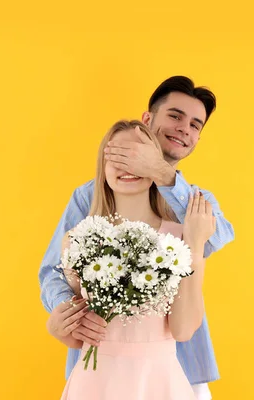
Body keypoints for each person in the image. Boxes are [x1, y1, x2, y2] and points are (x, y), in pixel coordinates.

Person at [40, 76, 235, 399]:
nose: (184, 128)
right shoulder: (89, 195)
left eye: (195, 124)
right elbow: (54, 270)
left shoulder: (194, 200)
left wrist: (163, 175)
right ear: (148, 119)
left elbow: (211, 240)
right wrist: (69, 314)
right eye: (174, 115)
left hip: (178, 367)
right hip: (100, 366)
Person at [60, 120, 215, 399]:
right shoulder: (76, 239)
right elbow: (77, 329)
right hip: (95, 382)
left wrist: (195, 246)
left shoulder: (179, 237)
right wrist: (57, 327)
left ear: (153, 163)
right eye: (118, 155)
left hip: (158, 383)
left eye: (137, 155)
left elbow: (182, 330)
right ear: (102, 168)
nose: (128, 166)